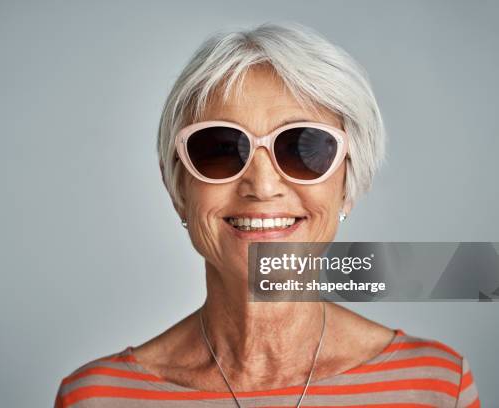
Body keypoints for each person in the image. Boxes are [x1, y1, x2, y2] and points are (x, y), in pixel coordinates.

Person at [54, 23, 480, 407]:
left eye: (302, 148)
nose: (262, 186)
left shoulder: (437, 387)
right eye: (220, 149)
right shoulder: (96, 398)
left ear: (347, 185)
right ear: (178, 187)